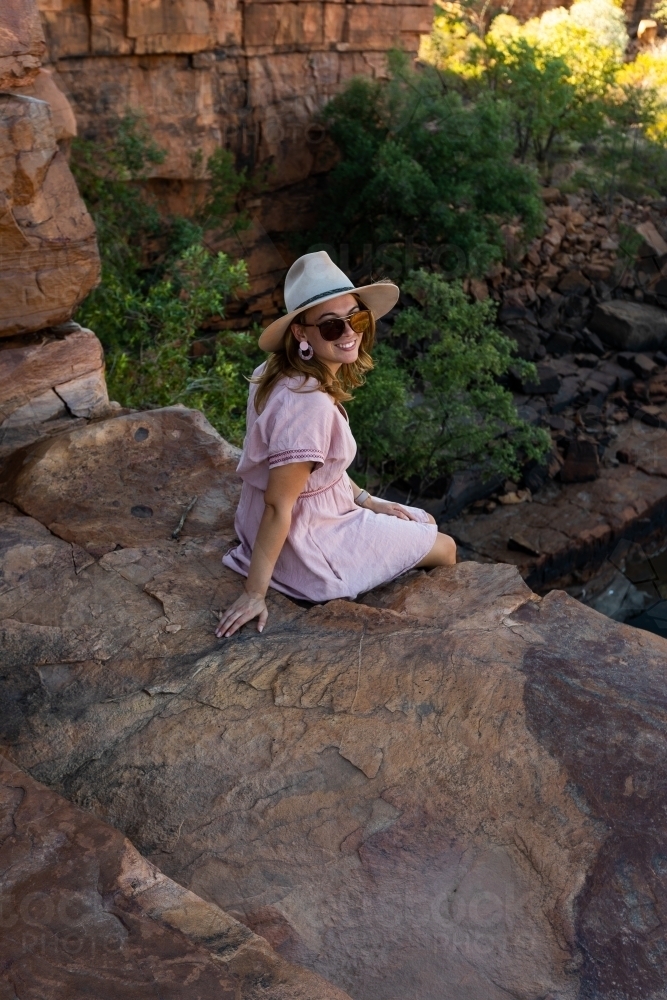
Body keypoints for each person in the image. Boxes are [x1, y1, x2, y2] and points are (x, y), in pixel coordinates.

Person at [216, 251, 456, 638]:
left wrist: (368, 500)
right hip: (308, 538)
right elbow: (280, 505)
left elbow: (318, 473)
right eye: (331, 327)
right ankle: (438, 635)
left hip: (306, 510)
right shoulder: (308, 406)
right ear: (301, 333)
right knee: (444, 546)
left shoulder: (275, 372)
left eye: (356, 318)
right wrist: (254, 593)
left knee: (419, 520)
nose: (349, 334)